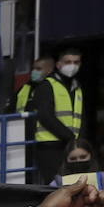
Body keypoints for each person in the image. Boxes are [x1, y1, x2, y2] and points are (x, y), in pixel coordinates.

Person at [34, 49, 86, 185]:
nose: (72, 65)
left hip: (72, 147)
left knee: (74, 186)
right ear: (58, 65)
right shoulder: (46, 85)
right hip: (50, 146)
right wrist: (70, 138)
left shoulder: (77, 87)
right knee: (56, 188)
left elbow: (80, 118)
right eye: (68, 62)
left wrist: (78, 142)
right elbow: (45, 116)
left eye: (76, 62)